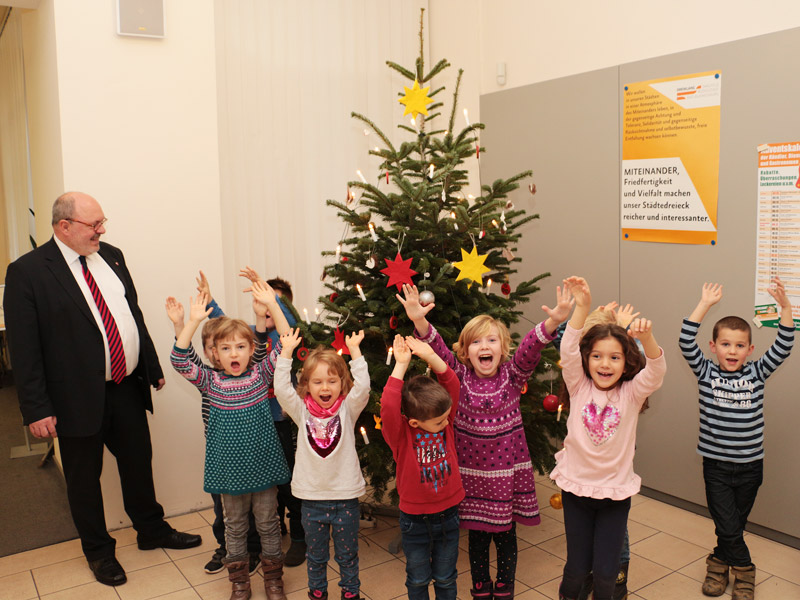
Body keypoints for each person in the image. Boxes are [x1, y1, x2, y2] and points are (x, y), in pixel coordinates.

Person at [2, 192, 201, 587]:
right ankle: (98, 552)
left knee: (137, 464)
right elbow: (24, 349)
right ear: (64, 227)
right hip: (72, 397)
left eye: (102, 222)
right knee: (83, 480)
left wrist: (152, 365)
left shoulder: (111, 255)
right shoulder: (28, 271)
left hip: (125, 385)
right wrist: (37, 408)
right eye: (94, 225)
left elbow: (132, 314)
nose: (102, 230)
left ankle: (152, 530)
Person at [398, 283, 573, 600]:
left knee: (506, 535)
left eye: (491, 340)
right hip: (470, 474)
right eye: (476, 342)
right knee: (477, 536)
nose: (484, 346)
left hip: (505, 475)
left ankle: (505, 586)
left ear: (503, 348)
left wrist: (554, 321)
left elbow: (531, 348)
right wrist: (420, 322)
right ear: (465, 351)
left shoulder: (512, 375)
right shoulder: (457, 377)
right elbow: (437, 349)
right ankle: (480, 585)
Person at [170, 284, 291, 600]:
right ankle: (239, 582)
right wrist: (192, 321)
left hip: (263, 467)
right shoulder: (211, 382)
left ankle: (273, 580)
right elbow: (179, 360)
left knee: (268, 524)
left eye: (240, 346)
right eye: (225, 348)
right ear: (214, 354)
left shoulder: (261, 375)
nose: (234, 353)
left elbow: (287, 339)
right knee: (235, 528)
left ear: (252, 350)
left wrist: (271, 305)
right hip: (229, 472)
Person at [551, 276, 665, 600]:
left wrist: (648, 337)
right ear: (586, 359)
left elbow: (656, 371)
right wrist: (583, 306)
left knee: (605, 573)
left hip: (614, 496)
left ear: (626, 361)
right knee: (576, 567)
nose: (605, 364)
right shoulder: (578, 384)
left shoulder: (631, 393)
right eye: (597, 356)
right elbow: (568, 347)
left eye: (614, 357)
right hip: (576, 490)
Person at [679, 280, 794, 600]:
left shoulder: (757, 373)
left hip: (750, 466)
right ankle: (744, 571)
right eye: (726, 344)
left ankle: (718, 562)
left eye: (740, 345)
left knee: (732, 526)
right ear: (714, 346)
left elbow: (784, 344)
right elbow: (686, 341)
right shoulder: (705, 372)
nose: (733, 351)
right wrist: (704, 305)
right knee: (728, 524)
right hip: (716, 466)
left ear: (750, 350)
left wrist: (785, 309)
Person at [196, 268, 307, 568]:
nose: (268, 305)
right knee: (246, 503)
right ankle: (251, 545)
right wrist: (206, 300)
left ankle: (292, 539)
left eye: (275, 303)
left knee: (280, 489)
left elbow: (287, 333)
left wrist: (272, 302)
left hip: (277, 424)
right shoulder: (248, 339)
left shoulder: (275, 341)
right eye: (262, 299)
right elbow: (221, 322)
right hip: (244, 428)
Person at [165, 296, 262, 577]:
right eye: (212, 348)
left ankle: (253, 549)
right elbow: (185, 358)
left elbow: (253, 344)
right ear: (211, 353)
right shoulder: (207, 378)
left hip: (252, 453)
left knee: (254, 511)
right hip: (221, 458)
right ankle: (226, 548)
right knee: (223, 510)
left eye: (230, 347)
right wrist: (181, 324)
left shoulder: (252, 374)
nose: (221, 354)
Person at [274, 328, 370, 600]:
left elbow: (363, 387)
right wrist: (286, 354)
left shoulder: (347, 409)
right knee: (315, 557)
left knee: (347, 556)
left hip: (345, 499)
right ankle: (318, 593)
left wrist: (357, 354)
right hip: (311, 499)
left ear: (342, 383)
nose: (325, 387)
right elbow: (281, 388)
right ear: (305, 385)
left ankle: (350, 593)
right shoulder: (300, 409)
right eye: (317, 382)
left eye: (332, 381)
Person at [381, 334, 464, 600]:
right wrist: (401, 364)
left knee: (446, 578)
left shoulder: (446, 422)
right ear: (414, 423)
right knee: (417, 581)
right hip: (415, 522)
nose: (447, 423)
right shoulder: (401, 435)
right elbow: (389, 406)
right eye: (439, 422)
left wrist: (430, 356)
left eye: (446, 417)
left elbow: (452, 383)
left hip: (449, 515)